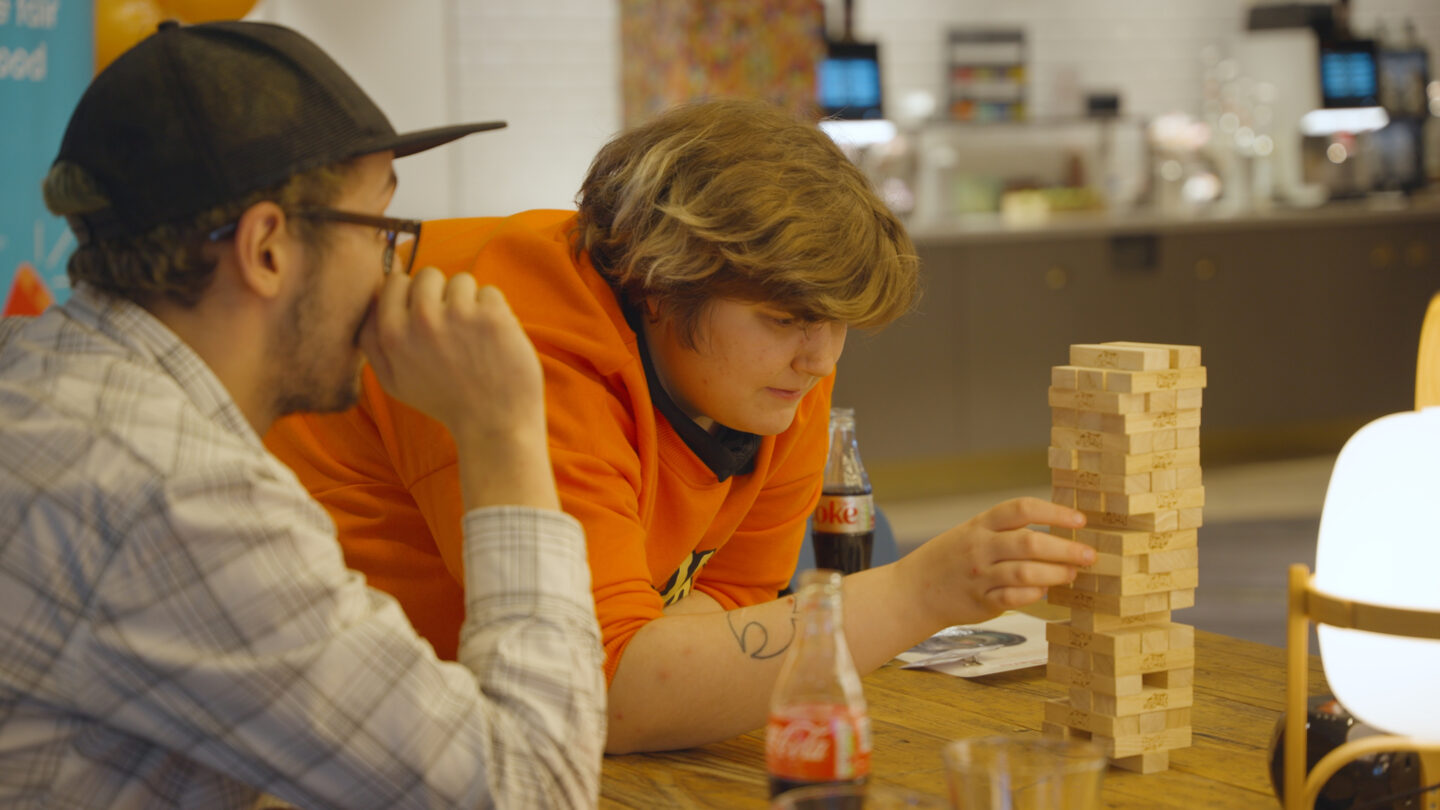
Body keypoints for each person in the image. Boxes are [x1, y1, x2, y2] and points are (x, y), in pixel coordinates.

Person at [266, 99, 1096, 754]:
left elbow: (732, 609)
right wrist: (921, 592)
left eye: (837, 321)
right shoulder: (518, 338)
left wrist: (662, 661)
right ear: (659, 284)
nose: (819, 358)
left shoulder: (775, 369)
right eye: (784, 319)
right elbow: (599, 695)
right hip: (318, 736)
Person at [0, 20, 604, 809]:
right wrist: (504, 431)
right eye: (382, 231)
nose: (394, 275)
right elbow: (534, 788)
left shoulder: (36, 369)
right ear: (267, 249)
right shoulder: (176, 494)